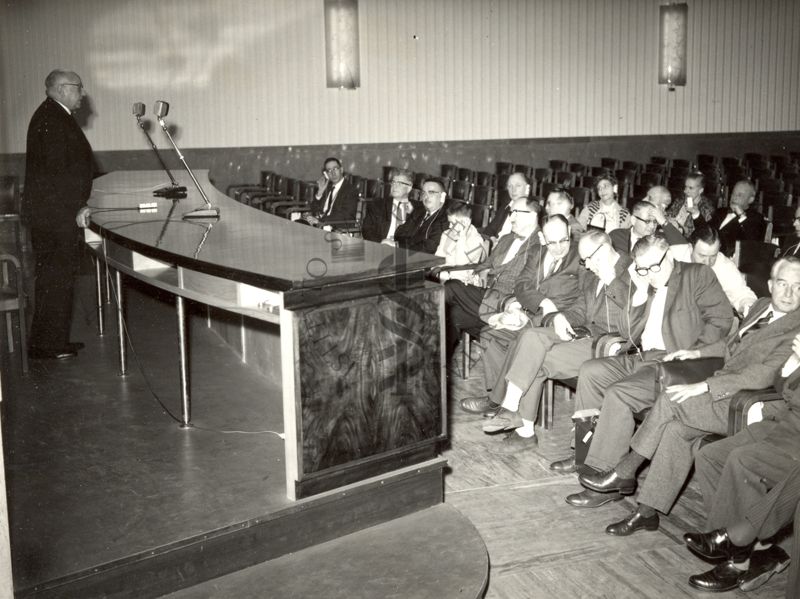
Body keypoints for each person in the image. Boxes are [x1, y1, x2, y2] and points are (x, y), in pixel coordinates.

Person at [579, 258, 800, 540]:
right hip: (726, 390)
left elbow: (762, 375)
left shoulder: (797, 326)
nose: (789, 293)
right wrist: (697, 354)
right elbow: (734, 346)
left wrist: (705, 386)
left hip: (750, 404)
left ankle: (626, 469)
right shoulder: (760, 306)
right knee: (674, 430)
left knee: (672, 401)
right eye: (783, 284)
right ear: (770, 285)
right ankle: (647, 511)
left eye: (797, 287)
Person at [551, 233, 733, 487]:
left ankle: (608, 473)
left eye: (656, 266)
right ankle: (584, 453)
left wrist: (695, 352)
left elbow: (722, 320)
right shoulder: (646, 281)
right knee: (591, 371)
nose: (651, 273)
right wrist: (638, 297)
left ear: (669, 254)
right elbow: (629, 333)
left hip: (676, 363)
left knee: (619, 392)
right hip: (644, 356)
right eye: (643, 268)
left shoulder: (697, 275)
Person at [478, 230, 633, 450]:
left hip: (610, 345)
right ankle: (517, 418)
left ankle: (580, 450)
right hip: (585, 335)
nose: (586, 266)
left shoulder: (632, 270)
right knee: (532, 339)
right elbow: (582, 308)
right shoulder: (591, 273)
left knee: (538, 358)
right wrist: (560, 317)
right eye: (584, 260)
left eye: (588, 259)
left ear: (605, 249)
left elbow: (632, 320)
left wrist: (611, 281)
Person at [683, 333, 800, 592]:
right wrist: (793, 365)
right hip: (784, 425)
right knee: (710, 456)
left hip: (795, 439)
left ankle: (737, 559)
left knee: (743, 459)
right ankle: (745, 550)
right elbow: (785, 391)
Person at [464, 215, 581, 429]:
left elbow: (584, 300)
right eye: (551, 241)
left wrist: (551, 312)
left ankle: (498, 403)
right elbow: (521, 284)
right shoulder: (537, 251)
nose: (558, 248)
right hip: (532, 315)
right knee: (490, 332)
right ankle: (496, 396)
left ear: (570, 235)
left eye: (563, 240)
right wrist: (535, 305)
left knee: (520, 339)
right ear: (541, 237)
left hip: (555, 324)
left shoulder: (579, 255)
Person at [24, 69, 94, 360]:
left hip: (52, 213)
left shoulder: (52, 114)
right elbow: (57, 174)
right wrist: (77, 206)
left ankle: (50, 341)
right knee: (56, 277)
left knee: (55, 278)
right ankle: (49, 345)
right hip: (55, 216)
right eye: (79, 87)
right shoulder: (53, 119)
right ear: (63, 89)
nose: (82, 93)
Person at [444, 196, 540, 359]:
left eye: (516, 212)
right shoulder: (507, 238)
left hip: (507, 304)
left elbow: (531, 285)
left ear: (532, 215)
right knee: (454, 314)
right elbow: (485, 264)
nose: (511, 217)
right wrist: (475, 274)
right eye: (511, 212)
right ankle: (439, 368)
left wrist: (487, 276)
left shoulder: (540, 245)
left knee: (451, 286)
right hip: (487, 295)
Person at [671, 227, 757, 316]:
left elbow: (741, 292)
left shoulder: (724, 266)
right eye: (702, 255)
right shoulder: (674, 255)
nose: (708, 262)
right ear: (690, 247)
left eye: (713, 256)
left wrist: (747, 305)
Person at [706, 180, 766, 257]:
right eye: (733, 193)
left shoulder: (756, 219)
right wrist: (696, 215)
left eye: (740, 195)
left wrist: (742, 216)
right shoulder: (720, 211)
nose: (734, 197)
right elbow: (705, 231)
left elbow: (752, 244)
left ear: (751, 199)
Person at [435, 202, 488, 284]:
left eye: (453, 223)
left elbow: (461, 263)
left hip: (461, 281)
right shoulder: (446, 234)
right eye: (449, 222)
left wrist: (462, 236)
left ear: (467, 222)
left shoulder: (477, 240)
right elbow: (438, 258)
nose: (449, 226)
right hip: (443, 274)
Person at [394, 178, 449, 253]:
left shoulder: (446, 219)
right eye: (424, 193)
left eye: (431, 192)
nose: (426, 196)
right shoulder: (418, 211)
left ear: (442, 196)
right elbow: (399, 234)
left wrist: (397, 246)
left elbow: (430, 248)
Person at [361, 168, 414, 244]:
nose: (395, 186)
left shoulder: (417, 208)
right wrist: (380, 242)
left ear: (409, 187)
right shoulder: (378, 205)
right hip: (381, 247)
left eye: (399, 183)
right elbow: (366, 229)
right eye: (393, 182)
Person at [302, 157, 360, 226]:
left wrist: (320, 221)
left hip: (336, 228)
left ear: (341, 170)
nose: (333, 173)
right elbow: (314, 209)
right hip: (321, 225)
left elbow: (345, 215)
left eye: (335, 169)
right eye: (329, 170)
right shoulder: (327, 187)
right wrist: (319, 193)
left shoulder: (350, 190)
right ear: (326, 174)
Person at [480, 172, 531, 240]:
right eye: (510, 186)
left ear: (527, 188)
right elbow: (489, 230)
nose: (513, 190)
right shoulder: (505, 206)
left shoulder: (532, 210)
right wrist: (492, 239)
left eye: (518, 185)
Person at [666, 171, 715, 237]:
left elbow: (703, 234)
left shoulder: (707, 209)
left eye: (690, 188)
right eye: (685, 187)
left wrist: (681, 229)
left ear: (700, 190)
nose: (685, 191)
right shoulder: (680, 200)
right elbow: (669, 214)